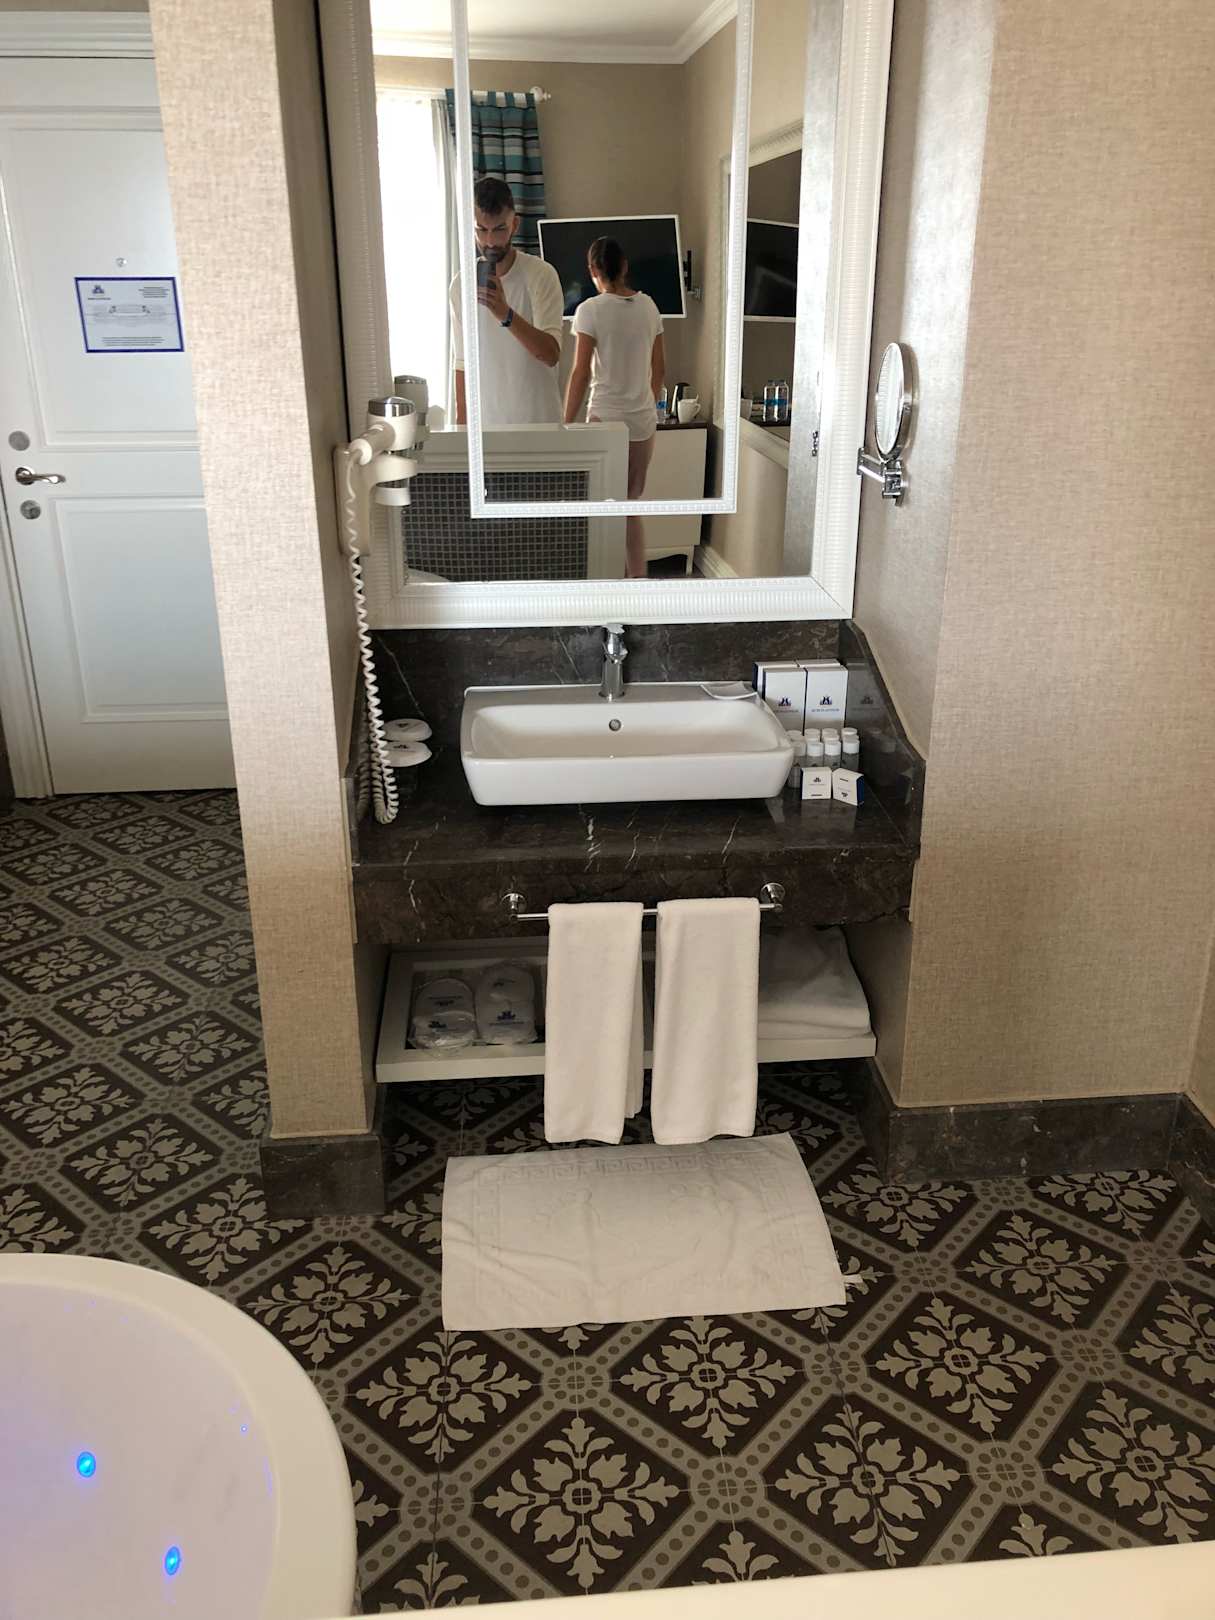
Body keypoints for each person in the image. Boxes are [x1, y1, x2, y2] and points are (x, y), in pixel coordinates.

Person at [563, 236, 665, 578]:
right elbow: (659, 370)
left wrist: (566, 423)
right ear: (624, 266)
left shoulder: (589, 310)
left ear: (593, 269)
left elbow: (580, 372)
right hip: (642, 424)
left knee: (604, 506)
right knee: (629, 505)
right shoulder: (649, 307)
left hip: (605, 420)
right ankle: (638, 581)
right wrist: (646, 404)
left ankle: (605, 582)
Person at [450, 176, 564, 427]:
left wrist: (505, 314)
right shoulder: (461, 285)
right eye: (482, 230)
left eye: (499, 229)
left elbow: (550, 354)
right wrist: (462, 434)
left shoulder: (541, 274)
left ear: (515, 224)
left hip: (541, 426)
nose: (490, 241)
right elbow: (462, 367)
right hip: (486, 430)